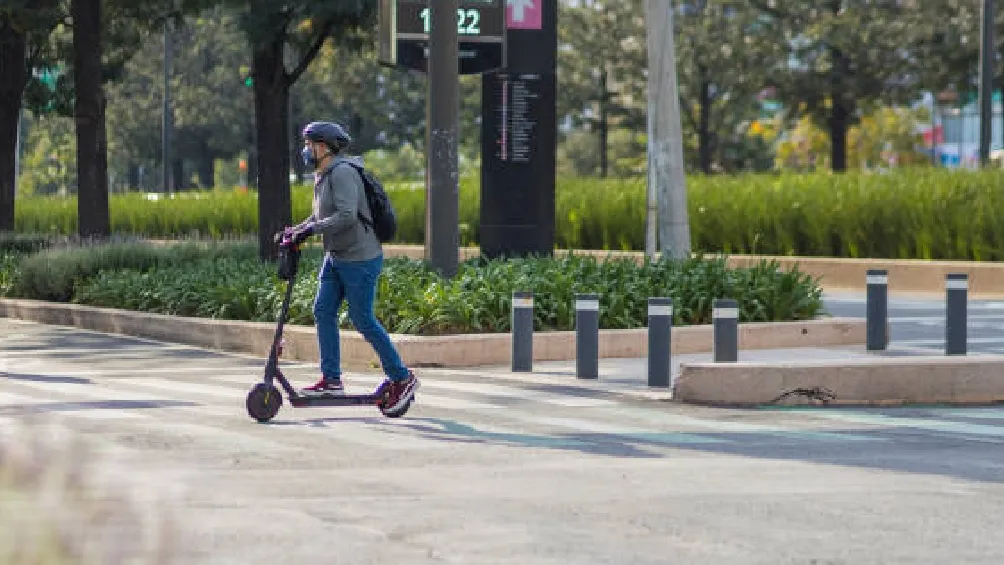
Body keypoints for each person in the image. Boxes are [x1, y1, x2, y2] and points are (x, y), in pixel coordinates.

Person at [284, 121, 419, 414]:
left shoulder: (343, 172)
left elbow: (346, 216)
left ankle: (402, 377)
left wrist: (312, 231)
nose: (305, 150)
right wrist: (296, 230)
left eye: (309, 145)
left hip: (360, 258)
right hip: (336, 256)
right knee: (323, 310)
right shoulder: (323, 175)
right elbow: (320, 215)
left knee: (362, 319)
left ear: (323, 147)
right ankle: (331, 379)